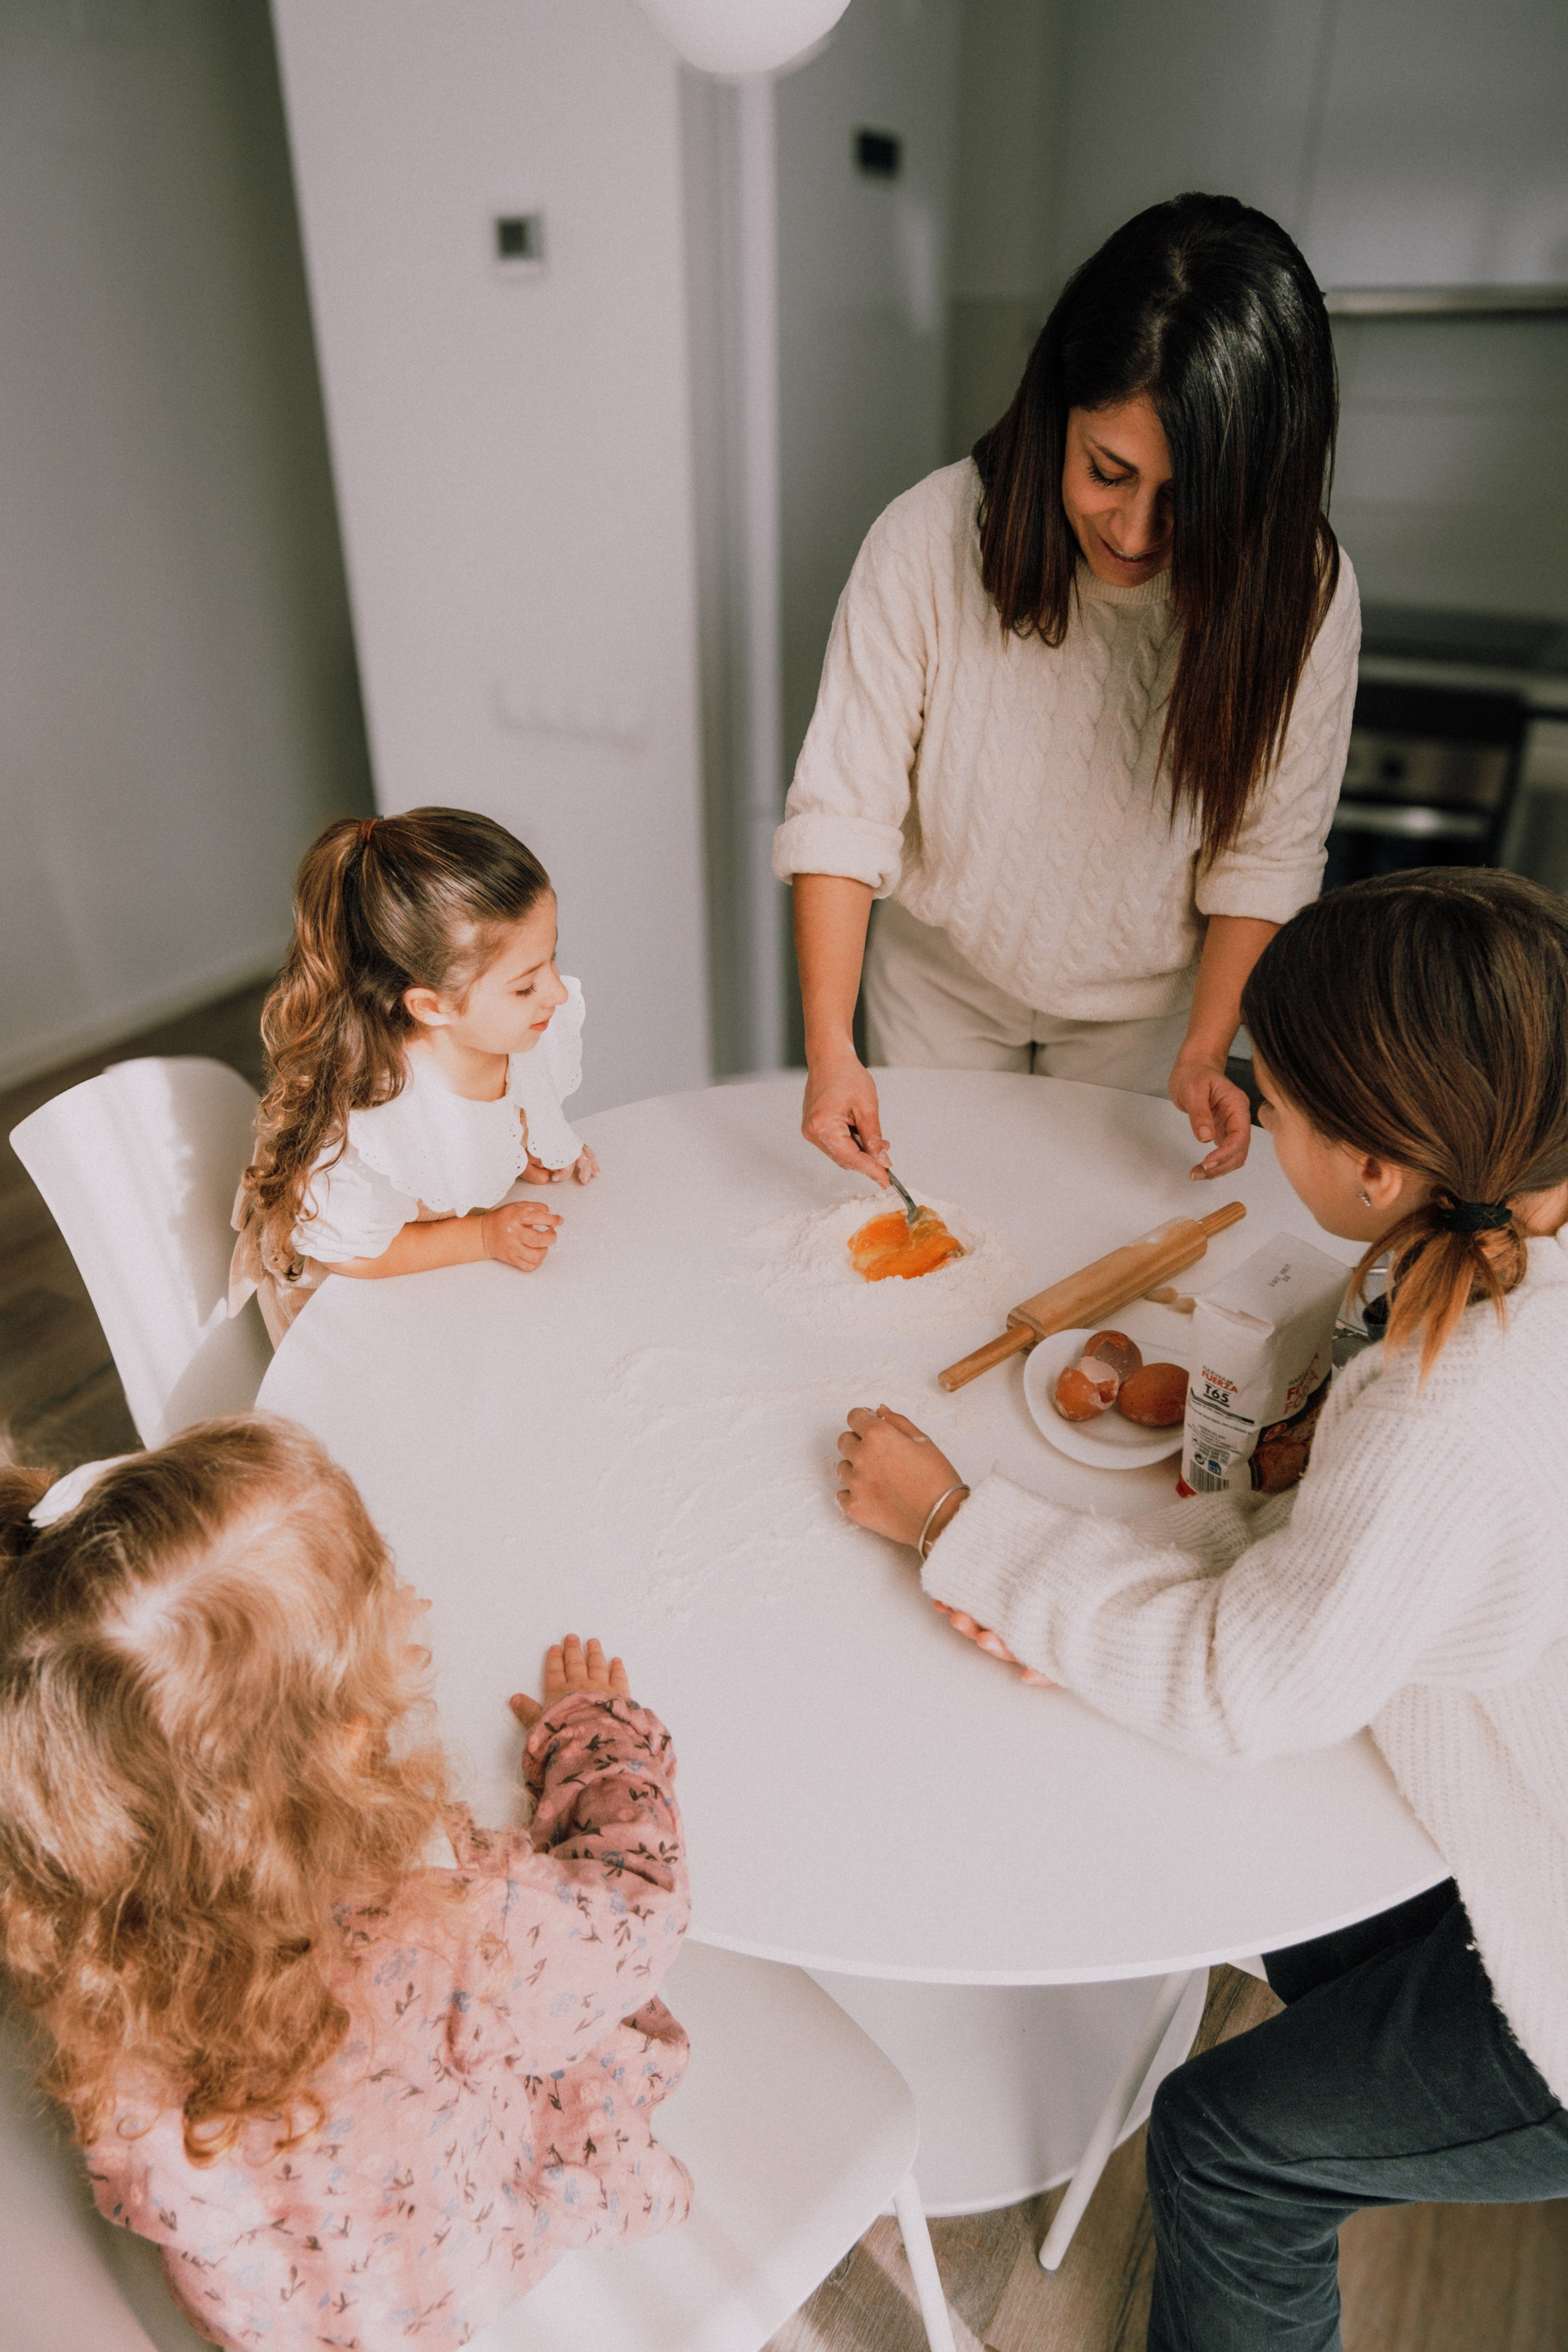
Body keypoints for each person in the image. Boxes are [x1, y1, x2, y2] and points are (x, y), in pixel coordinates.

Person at [832, 869, 1568, 2351]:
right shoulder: (1502, 1242)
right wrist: (1103, 1602)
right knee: (1284, 1891)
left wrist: (961, 1530)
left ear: (1376, 1169)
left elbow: (1247, 1686)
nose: (1249, 1114)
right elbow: (1354, 1561)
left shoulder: (1459, 1399)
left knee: (1226, 2144)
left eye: (1273, 1103)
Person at [0, 1415, 688, 2352]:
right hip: (439, 2283)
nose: (418, 1609)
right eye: (386, 1599)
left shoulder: (77, 1925)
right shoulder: (441, 1930)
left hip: (285, 2311)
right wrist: (600, 1736)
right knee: (596, 2040)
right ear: (338, 1742)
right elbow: (638, 1909)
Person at [776, 192, 1359, 1191]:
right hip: (940, 989)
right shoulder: (928, 538)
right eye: (1107, 471)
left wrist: (1207, 1043)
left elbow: (1267, 851)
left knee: (1097, 1254)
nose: (1134, 534)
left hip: (1146, 1020)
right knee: (944, 1238)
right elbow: (843, 811)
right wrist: (833, 1051)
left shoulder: (1298, 589)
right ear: (1059, 416)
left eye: (1187, 503)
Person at [233, 807, 597, 1342]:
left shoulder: (508, 1034)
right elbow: (356, 1252)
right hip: (346, 1300)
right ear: (432, 1007)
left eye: (552, 959)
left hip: (429, 1268)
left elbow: (497, 1110)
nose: (557, 993)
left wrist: (525, 1142)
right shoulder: (380, 1121)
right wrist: (480, 1236)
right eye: (525, 986)